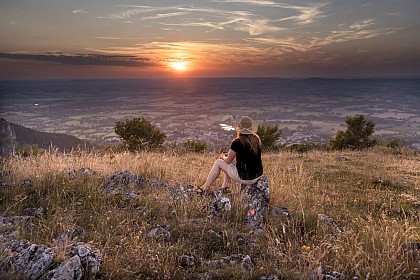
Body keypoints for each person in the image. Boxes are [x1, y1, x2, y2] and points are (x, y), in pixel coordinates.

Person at [196, 116, 263, 194]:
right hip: (257, 176)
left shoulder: (237, 142)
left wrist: (223, 157)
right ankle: (225, 186)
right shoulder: (257, 139)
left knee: (218, 162)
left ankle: (204, 188)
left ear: (240, 128)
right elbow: (248, 156)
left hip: (244, 177)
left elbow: (227, 161)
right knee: (231, 160)